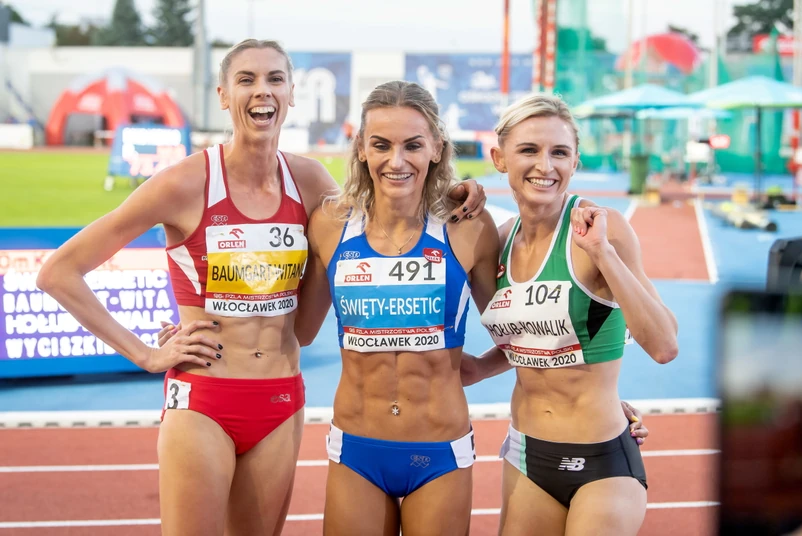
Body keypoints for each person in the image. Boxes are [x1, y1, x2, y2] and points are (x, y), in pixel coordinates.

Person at [36, 40, 485, 536]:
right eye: (246, 79)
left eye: (275, 79)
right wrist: (144, 354)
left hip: (279, 401)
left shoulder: (309, 182)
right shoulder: (184, 183)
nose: (262, 91)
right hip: (205, 397)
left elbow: (380, 211)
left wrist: (451, 191)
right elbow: (59, 272)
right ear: (223, 95)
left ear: (291, 94)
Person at [293, 81, 649, 536]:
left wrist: (600, 400)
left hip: (440, 451)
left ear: (437, 149)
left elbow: (526, 326)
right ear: (360, 147)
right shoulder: (329, 225)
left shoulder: (468, 228)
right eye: (381, 145)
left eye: (413, 145)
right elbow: (299, 331)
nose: (396, 161)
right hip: (356, 446)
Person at [462, 93, 679, 536]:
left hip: (602, 461)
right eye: (529, 150)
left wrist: (602, 253)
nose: (545, 166)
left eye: (559, 152)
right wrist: (480, 367)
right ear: (499, 159)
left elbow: (664, 345)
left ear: (575, 161)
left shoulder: (601, 227)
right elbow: (531, 336)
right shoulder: (498, 242)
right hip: (527, 455)